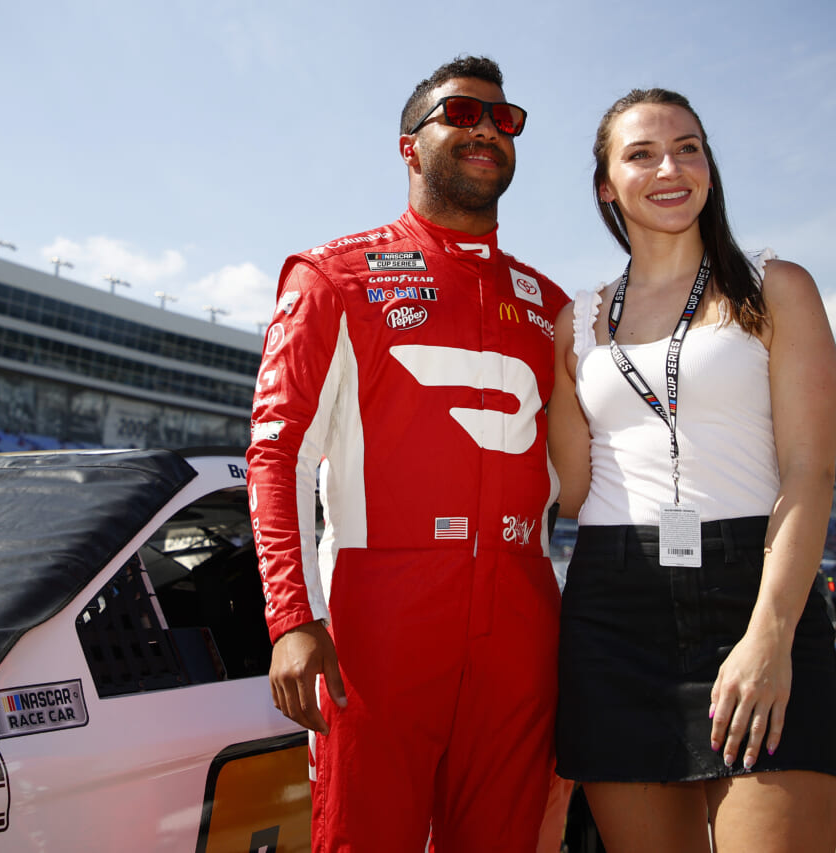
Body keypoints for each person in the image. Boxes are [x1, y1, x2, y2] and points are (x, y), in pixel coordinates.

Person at [246, 55, 568, 851]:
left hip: (524, 626)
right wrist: (292, 616)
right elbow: (276, 453)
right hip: (377, 625)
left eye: (504, 118)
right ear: (407, 145)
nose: (487, 128)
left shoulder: (555, 308)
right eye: (461, 113)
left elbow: (589, 482)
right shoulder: (333, 276)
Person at [547, 87, 836, 852]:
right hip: (613, 606)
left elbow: (810, 472)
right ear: (607, 185)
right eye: (641, 153)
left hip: (758, 588)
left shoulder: (777, 286)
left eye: (688, 147)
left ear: (709, 166)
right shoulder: (574, 322)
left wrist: (769, 636)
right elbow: (568, 489)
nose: (670, 166)